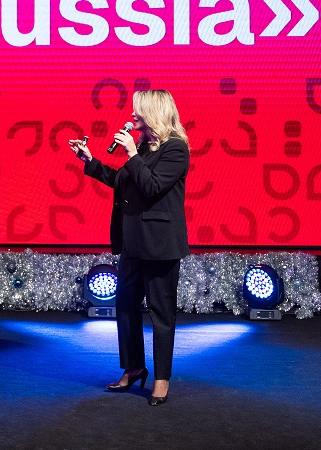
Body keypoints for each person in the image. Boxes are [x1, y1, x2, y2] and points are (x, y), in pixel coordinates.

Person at [68, 89, 190, 406]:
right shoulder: (144, 147)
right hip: (133, 243)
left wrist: (133, 155)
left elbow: (152, 187)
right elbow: (123, 182)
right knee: (125, 306)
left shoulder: (176, 149)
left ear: (153, 112)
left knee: (161, 313)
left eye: (137, 110)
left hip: (160, 245)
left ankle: (161, 379)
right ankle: (134, 367)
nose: (131, 114)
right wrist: (90, 161)